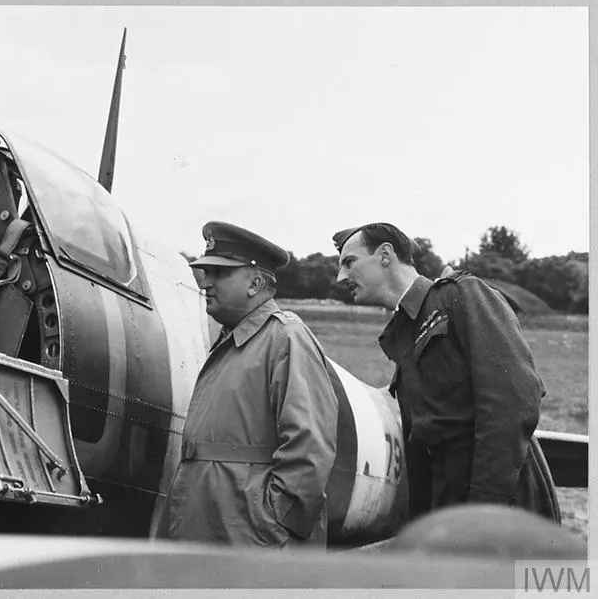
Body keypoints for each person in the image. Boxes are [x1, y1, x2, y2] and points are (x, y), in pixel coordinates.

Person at [332, 222, 559, 522]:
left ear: (385, 255)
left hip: (502, 505)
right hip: (448, 505)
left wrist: (482, 510)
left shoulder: (461, 295)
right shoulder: (405, 329)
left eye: (350, 262)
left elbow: (513, 405)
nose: (340, 277)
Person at [157, 221, 339, 548]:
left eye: (219, 274)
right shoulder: (233, 342)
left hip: (250, 539)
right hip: (216, 530)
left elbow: (309, 447)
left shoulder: (285, 338)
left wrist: (269, 523)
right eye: (206, 273)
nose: (205, 284)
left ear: (255, 282)